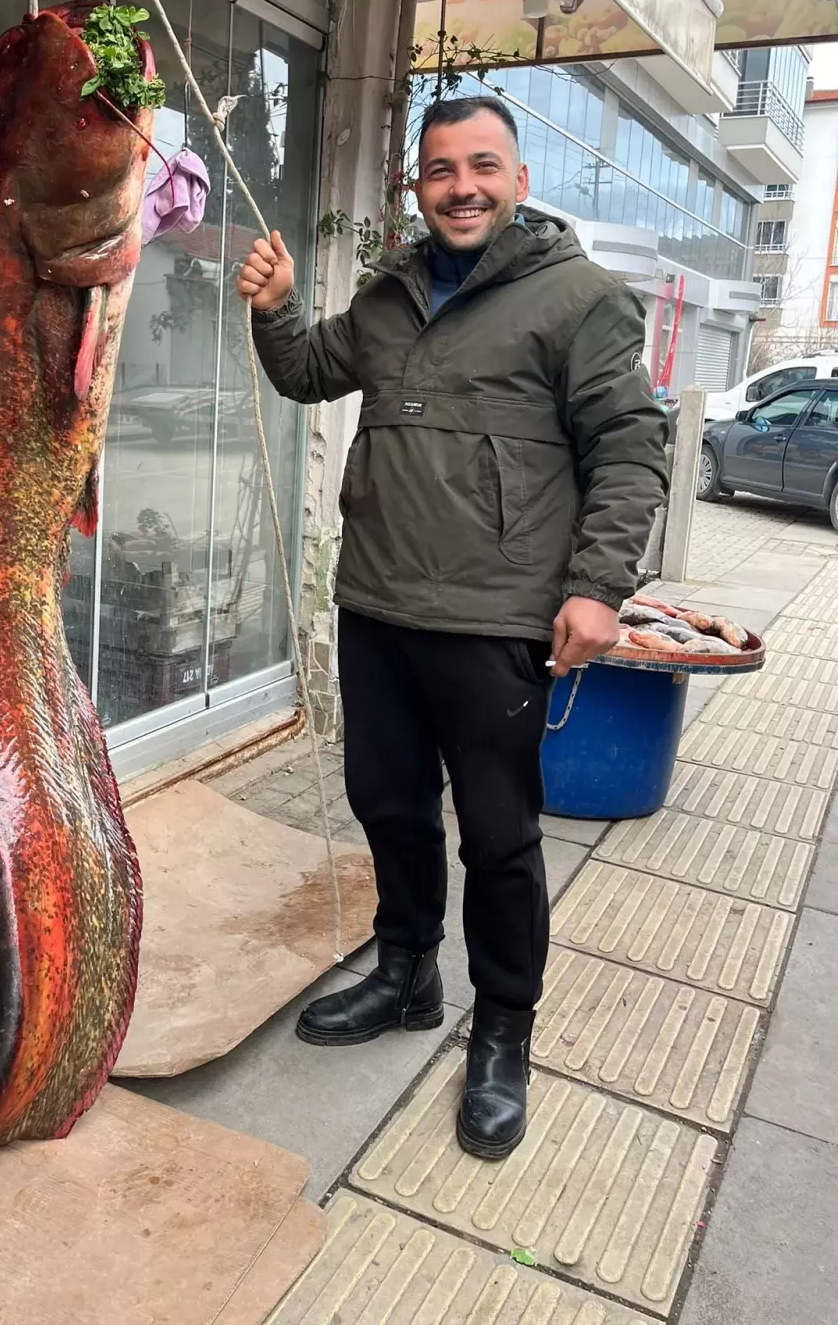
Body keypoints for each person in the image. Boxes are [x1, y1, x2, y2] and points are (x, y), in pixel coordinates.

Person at [236, 95, 667, 1160]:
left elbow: (629, 447)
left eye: (482, 166)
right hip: (379, 604)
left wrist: (599, 587)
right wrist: (276, 310)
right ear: (417, 186)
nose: (461, 186)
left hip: (494, 618)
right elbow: (308, 373)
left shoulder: (581, 299)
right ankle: (406, 972)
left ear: (518, 179)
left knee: (500, 836)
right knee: (388, 803)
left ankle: (505, 1027)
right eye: (440, 170)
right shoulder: (388, 296)